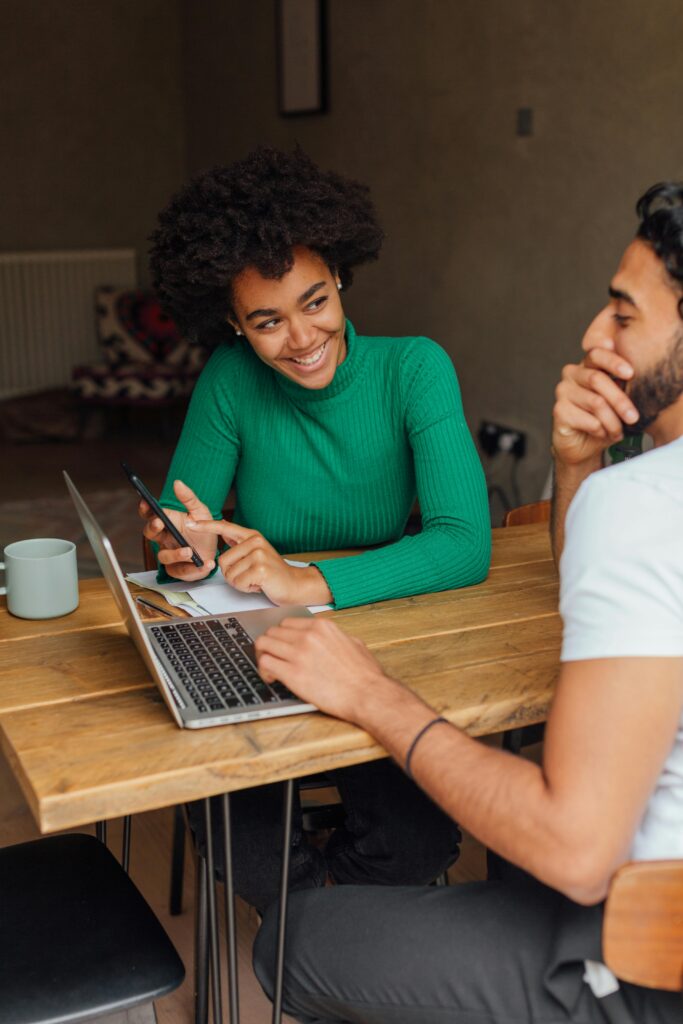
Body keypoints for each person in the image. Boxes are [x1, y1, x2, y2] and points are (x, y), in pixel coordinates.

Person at [252, 182, 683, 1024]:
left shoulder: (641, 504)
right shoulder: (627, 501)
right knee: (513, 790)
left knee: (290, 941)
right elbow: (605, 601)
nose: (593, 336)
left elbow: (576, 850)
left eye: (623, 315)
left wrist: (373, 694)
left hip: (648, 966)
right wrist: (573, 471)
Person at [143, 146, 491, 911]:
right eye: (266, 321)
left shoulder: (414, 370)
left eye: (313, 301)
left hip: (378, 642)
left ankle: (321, 932)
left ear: (340, 277)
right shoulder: (231, 382)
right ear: (233, 325)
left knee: (420, 842)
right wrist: (185, 551)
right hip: (256, 645)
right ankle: (321, 938)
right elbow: (179, 544)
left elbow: (464, 541)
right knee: (255, 857)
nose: (300, 339)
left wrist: (308, 581)